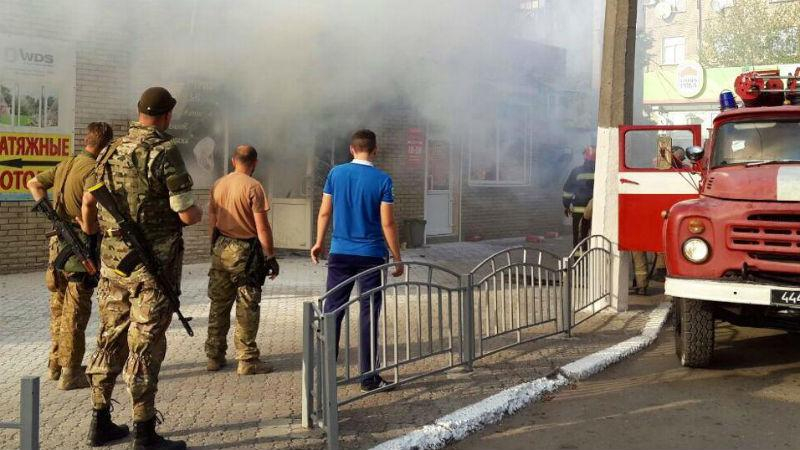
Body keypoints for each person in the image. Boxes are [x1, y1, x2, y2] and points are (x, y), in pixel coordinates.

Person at [79, 87, 203, 450]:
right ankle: (144, 431)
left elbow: (89, 202)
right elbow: (185, 213)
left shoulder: (109, 149)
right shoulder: (163, 152)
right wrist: (197, 214)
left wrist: (94, 234)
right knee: (145, 345)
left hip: (113, 266)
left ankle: (99, 422)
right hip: (152, 269)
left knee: (109, 337)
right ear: (167, 116)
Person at [310, 129, 403, 393]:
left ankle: (326, 374)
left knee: (333, 311)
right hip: (371, 256)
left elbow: (325, 211)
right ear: (375, 150)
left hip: (339, 253)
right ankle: (368, 378)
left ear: (352, 149)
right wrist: (397, 257)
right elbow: (387, 222)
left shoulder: (335, 174)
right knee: (368, 314)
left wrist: (318, 242)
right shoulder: (383, 180)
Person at [27, 122, 113, 391]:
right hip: (79, 249)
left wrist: (50, 212)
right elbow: (89, 201)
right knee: (74, 314)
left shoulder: (66, 163)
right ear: (105, 146)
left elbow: (33, 183)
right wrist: (90, 227)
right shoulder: (92, 169)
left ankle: (55, 364)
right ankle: (71, 372)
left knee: (59, 309)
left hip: (57, 249)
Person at [205, 145, 279, 375]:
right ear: (255, 162)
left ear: (232, 160)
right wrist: (270, 256)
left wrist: (213, 247)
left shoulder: (218, 184)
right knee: (247, 305)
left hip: (221, 248)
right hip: (245, 253)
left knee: (218, 303)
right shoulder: (254, 187)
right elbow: (262, 227)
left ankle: (214, 356)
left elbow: (213, 220)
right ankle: (247, 360)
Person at [562, 145, 596, 248]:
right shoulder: (601, 172)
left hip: (579, 212)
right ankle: (594, 260)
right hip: (596, 212)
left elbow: (567, 191)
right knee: (597, 238)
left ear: (584, 157)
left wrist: (567, 205)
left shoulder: (577, 171)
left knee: (580, 238)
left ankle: (579, 261)